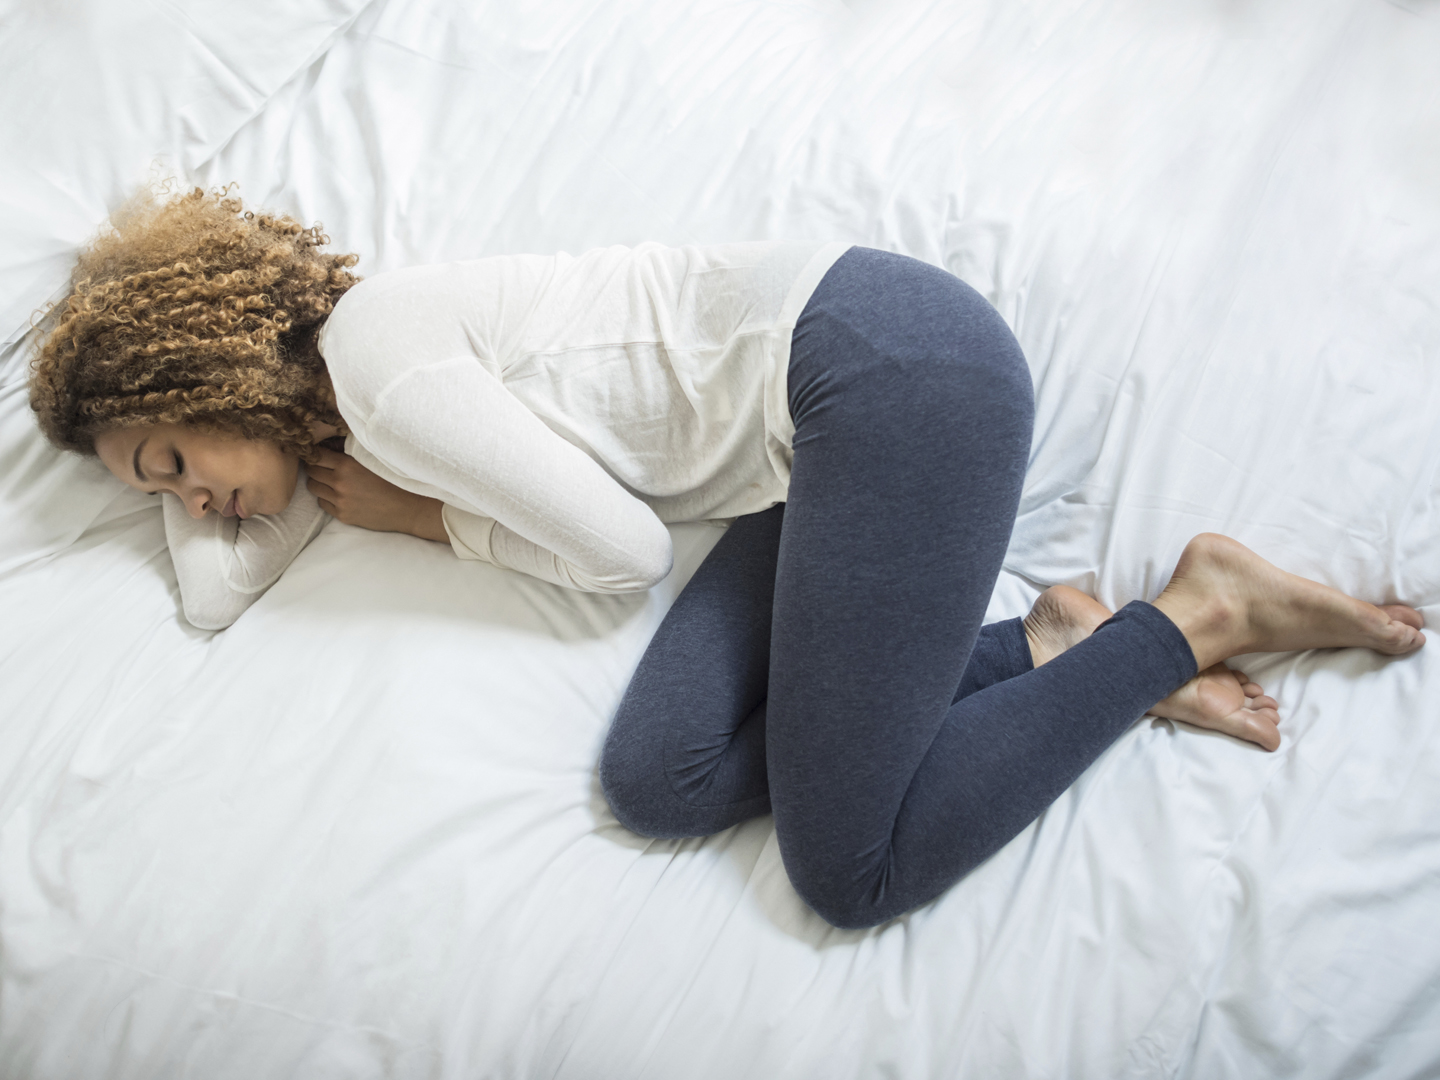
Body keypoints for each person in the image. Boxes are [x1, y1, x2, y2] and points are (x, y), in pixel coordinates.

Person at [29, 187, 1426, 929]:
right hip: (802, 458)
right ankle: (1056, 646)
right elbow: (218, 597)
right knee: (660, 779)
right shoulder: (345, 409)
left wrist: (419, 523)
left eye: (171, 466)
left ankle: (1191, 614)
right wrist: (144, 436)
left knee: (851, 869)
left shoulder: (380, 374)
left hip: (887, 378)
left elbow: (621, 555)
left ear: (208, 374)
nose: (194, 508)